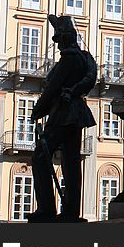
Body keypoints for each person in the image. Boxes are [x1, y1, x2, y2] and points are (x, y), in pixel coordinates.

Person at [28, 15, 97, 222]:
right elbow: (88, 79)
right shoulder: (83, 58)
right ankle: (71, 211)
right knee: (71, 162)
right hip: (76, 114)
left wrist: (38, 109)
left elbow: (52, 87)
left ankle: (47, 208)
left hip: (64, 113)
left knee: (40, 157)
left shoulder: (69, 59)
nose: (57, 45)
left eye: (58, 39)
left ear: (66, 38)